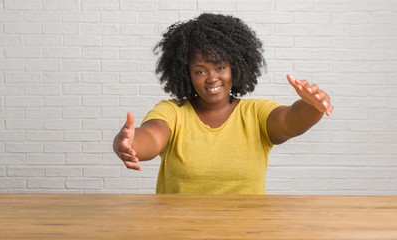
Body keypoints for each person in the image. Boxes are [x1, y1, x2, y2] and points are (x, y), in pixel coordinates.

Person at [113, 13, 333, 194]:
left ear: (235, 68)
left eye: (220, 67)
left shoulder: (254, 113)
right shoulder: (173, 112)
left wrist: (313, 106)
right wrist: (129, 143)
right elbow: (152, 136)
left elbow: (289, 121)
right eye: (200, 71)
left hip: (247, 231)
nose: (212, 78)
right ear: (186, 74)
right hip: (178, 231)